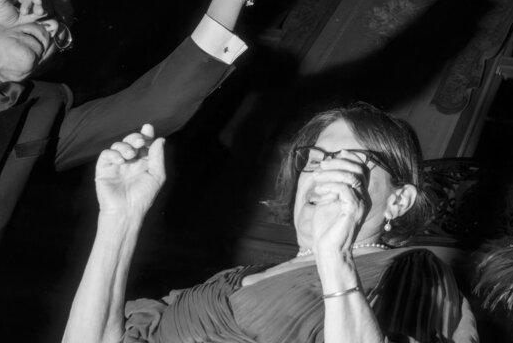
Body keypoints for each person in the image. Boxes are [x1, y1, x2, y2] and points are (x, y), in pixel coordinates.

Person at [0, 0, 273, 342]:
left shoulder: (38, 117)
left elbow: (158, 103)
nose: (50, 27)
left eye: (59, 30)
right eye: (32, 7)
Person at [63, 102, 479, 343]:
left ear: (399, 200)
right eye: (314, 162)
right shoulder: (232, 279)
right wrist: (119, 219)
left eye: (350, 163)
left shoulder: (414, 271)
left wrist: (334, 258)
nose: (321, 176)